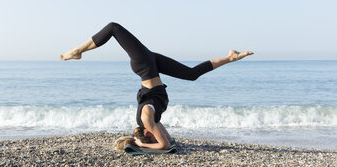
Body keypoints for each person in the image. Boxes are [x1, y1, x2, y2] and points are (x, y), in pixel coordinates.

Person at [60, 22, 253, 150]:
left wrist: (139, 144)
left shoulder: (147, 120)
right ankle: (231, 57)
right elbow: (167, 143)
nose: (157, 134)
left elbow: (163, 145)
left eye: (151, 136)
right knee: (191, 75)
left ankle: (77, 51)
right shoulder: (151, 121)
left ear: (146, 133)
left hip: (145, 67)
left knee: (113, 28)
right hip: (150, 66)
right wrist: (141, 143)